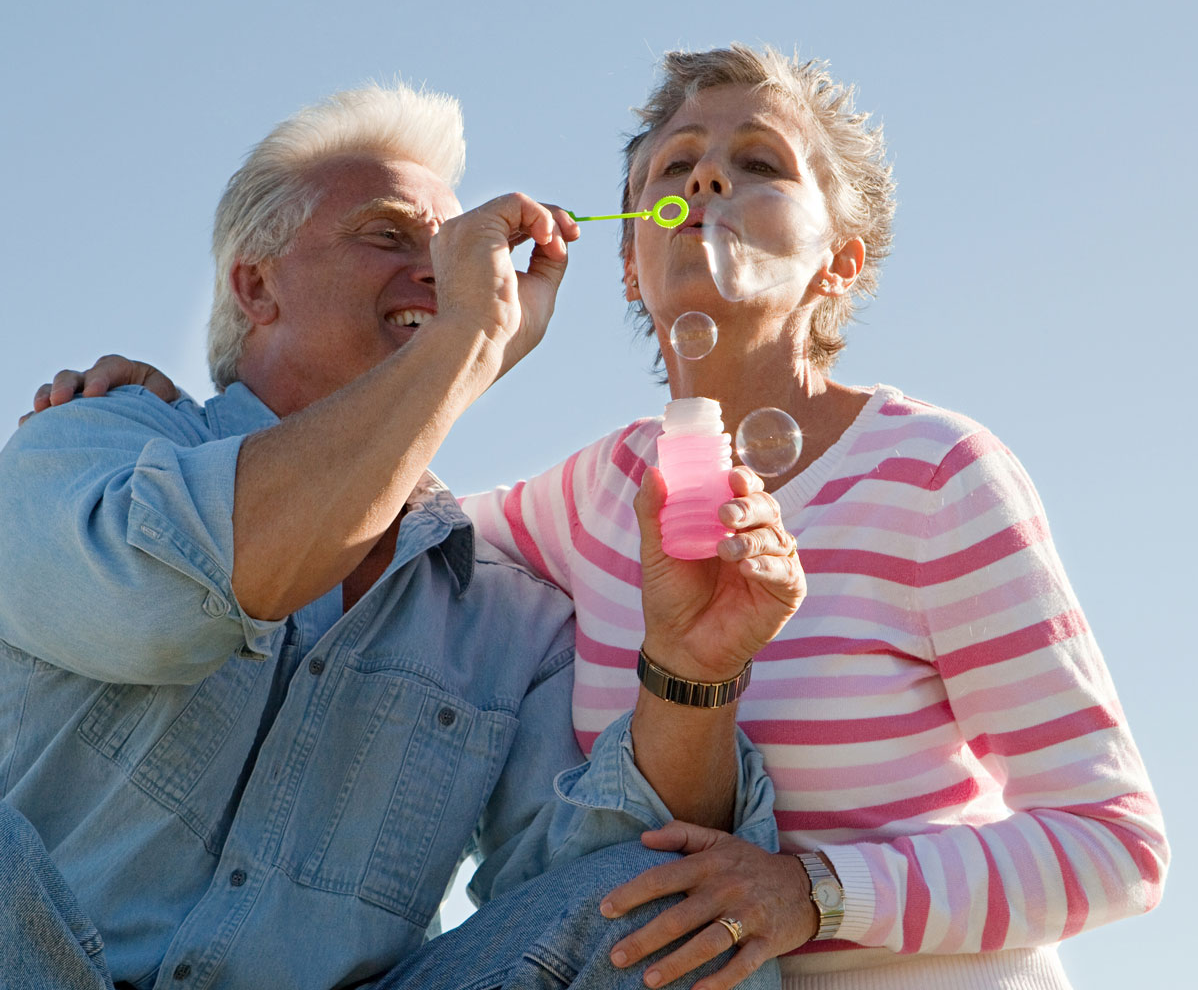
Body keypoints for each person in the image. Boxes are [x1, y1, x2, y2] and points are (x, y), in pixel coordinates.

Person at [68, 46, 1170, 989]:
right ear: (635, 268)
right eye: (675, 168)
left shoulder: (934, 477)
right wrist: (187, 419)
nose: (707, 182)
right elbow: (376, 522)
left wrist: (815, 895)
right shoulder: (590, 501)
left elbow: (1118, 846)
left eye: (758, 164)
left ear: (840, 261)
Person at [0, 79, 805, 990]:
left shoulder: (509, 609)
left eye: (455, 252)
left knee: (672, 912)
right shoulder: (88, 443)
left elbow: (601, 866)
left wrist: (690, 674)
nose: (444, 270)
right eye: (389, 236)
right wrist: (462, 337)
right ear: (254, 285)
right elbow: (163, 604)